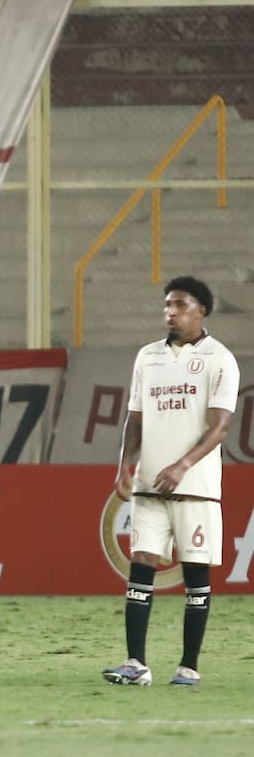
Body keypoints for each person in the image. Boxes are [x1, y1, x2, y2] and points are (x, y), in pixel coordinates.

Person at [103, 276, 238, 687]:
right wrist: (125, 465)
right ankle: (135, 663)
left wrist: (182, 466)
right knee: (141, 566)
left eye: (180, 305)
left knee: (196, 576)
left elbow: (219, 428)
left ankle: (188, 666)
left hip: (196, 490)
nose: (170, 312)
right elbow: (135, 419)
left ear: (202, 310)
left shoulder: (220, 359)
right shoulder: (148, 357)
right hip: (149, 487)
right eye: (167, 305)